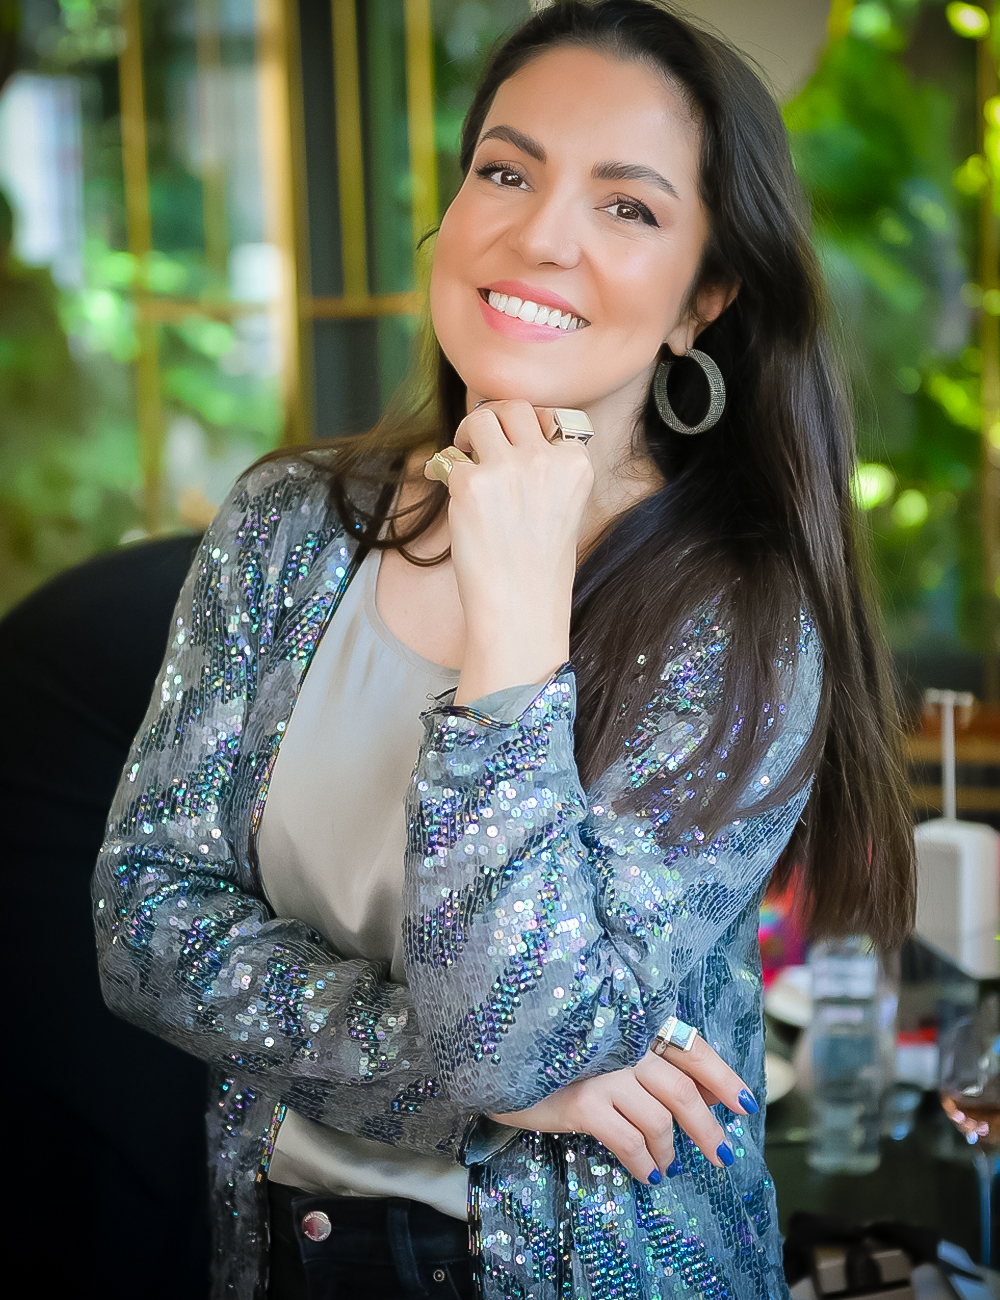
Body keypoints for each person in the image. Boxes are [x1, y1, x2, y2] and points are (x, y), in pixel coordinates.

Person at [93, 3, 915, 1298]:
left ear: (704, 298)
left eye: (627, 206)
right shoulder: (284, 526)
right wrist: (489, 1075)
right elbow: (143, 921)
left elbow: (514, 1036)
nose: (540, 235)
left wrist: (519, 629)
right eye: (507, 171)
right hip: (285, 1257)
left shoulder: (746, 620)